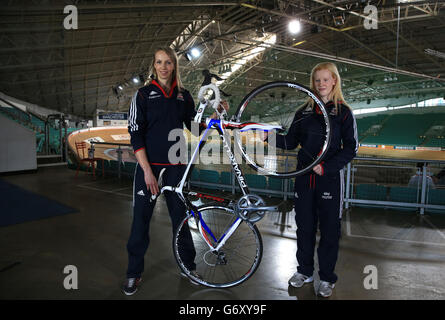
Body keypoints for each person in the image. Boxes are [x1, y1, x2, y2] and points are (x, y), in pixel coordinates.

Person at [123, 47, 227, 295]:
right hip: (149, 170)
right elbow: (135, 135)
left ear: (174, 66)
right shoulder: (143, 94)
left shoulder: (183, 96)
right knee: (140, 223)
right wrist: (147, 171)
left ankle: (187, 266)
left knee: (181, 220)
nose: (163, 67)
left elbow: (196, 127)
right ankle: (133, 273)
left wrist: (217, 113)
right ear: (154, 65)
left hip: (176, 168)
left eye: (168, 62)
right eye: (159, 62)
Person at [263, 62, 358, 297]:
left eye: (326, 80)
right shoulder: (303, 111)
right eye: (317, 80)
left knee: (329, 232)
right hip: (303, 180)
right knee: (304, 228)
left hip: (329, 180)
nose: (321, 84)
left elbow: (352, 148)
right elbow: (289, 142)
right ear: (312, 83)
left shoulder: (343, 112)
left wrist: (325, 168)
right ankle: (304, 271)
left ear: (334, 81)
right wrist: (268, 136)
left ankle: (327, 277)